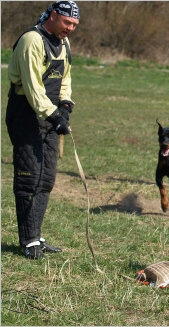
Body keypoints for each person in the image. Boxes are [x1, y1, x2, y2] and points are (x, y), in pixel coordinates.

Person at [6, 1, 80, 259]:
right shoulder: (31, 40)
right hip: (26, 113)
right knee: (29, 178)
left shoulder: (64, 43)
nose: (70, 28)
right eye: (66, 22)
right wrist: (54, 114)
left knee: (46, 179)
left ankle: (36, 236)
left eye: (74, 25)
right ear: (53, 16)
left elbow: (65, 77)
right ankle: (27, 241)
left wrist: (66, 105)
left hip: (49, 115)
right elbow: (32, 86)